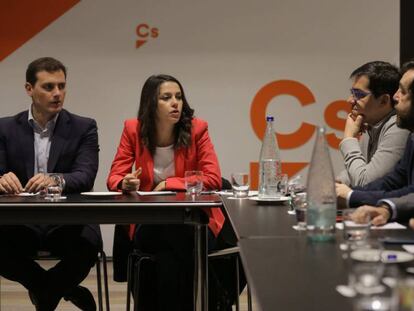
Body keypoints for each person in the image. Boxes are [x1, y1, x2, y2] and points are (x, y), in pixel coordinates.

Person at [107, 74, 225, 311]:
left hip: (193, 220)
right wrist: (126, 182)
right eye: (167, 97)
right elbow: (114, 177)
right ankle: (216, 302)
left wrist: (171, 183)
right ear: (151, 103)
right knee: (173, 246)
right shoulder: (133, 129)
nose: (176, 103)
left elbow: (213, 179)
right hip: (149, 222)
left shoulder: (197, 129)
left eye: (179, 97)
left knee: (173, 250)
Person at [0, 57, 101, 311]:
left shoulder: (84, 127)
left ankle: (44, 293)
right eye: (48, 87)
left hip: (66, 223)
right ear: (29, 89)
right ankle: (60, 288)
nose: (57, 93)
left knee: (88, 243)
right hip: (19, 223)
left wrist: (55, 178)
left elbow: (85, 176)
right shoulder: (5, 128)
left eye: (62, 86)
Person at [336, 60, 414, 213]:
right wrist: (336, 185)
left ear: (384, 100)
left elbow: (365, 181)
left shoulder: (399, 128)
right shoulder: (374, 125)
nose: (395, 97)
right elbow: (391, 181)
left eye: (358, 94)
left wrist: (348, 139)